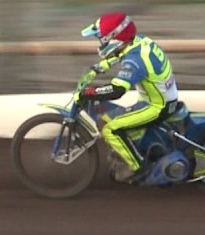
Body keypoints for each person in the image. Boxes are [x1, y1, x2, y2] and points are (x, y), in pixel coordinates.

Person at [75, 11, 180, 183]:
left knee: (111, 128)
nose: (100, 42)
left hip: (157, 107)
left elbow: (117, 90)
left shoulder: (135, 60)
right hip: (158, 98)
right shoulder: (138, 41)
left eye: (102, 39)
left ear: (114, 38)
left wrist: (90, 92)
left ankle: (136, 167)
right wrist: (99, 67)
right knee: (110, 117)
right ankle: (129, 151)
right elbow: (120, 54)